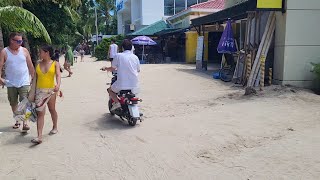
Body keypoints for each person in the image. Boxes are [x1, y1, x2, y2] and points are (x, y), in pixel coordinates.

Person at [0, 32, 35, 132]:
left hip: (24, 81)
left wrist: (34, 78)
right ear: (11, 41)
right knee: (13, 103)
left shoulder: (24, 51)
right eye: (18, 41)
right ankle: (18, 120)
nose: (20, 43)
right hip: (10, 82)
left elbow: (30, 65)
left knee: (25, 102)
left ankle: (25, 122)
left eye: (21, 41)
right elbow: (0, 65)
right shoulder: (4, 52)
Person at [31, 45, 61, 144]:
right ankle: (39, 136)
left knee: (52, 109)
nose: (39, 53)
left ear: (47, 52)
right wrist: (32, 92)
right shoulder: (38, 64)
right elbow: (35, 79)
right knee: (40, 113)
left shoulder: (55, 63)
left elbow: (58, 75)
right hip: (39, 91)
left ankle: (55, 126)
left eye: (41, 52)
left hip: (51, 91)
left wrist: (58, 85)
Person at [102, 39, 140, 111]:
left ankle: (117, 103)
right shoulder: (135, 57)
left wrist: (105, 68)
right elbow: (138, 70)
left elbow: (113, 68)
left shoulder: (118, 55)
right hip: (135, 84)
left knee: (110, 90)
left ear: (122, 47)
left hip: (122, 84)